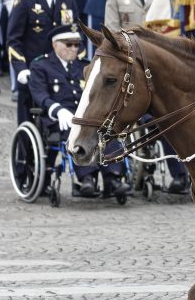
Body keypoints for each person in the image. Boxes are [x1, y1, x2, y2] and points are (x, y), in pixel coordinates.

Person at [103, 0, 190, 194]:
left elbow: (173, 28)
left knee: (170, 116)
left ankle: (179, 174)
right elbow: (111, 31)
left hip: (158, 66)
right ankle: (117, 172)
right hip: (130, 65)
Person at [29, 23, 131, 198]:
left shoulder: (85, 66)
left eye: (77, 45)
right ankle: (87, 178)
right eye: (68, 44)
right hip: (59, 119)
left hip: (88, 115)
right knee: (78, 134)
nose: (74, 48)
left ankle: (113, 177)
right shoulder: (41, 66)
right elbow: (39, 94)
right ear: (55, 44)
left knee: (108, 131)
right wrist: (57, 110)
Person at [7, 0, 78, 124]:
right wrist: (21, 69)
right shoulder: (26, 0)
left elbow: (76, 36)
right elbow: (13, 40)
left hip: (61, 74)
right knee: (30, 123)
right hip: (34, 73)